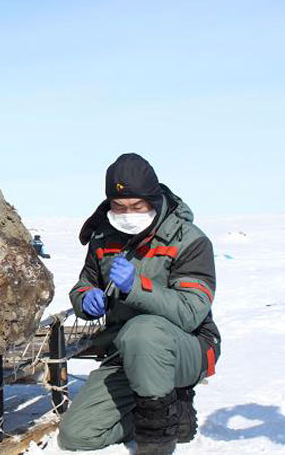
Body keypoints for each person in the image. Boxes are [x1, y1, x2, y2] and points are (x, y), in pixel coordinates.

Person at [57, 153, 221, 455]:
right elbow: (85, 283)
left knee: (142, 331)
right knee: (76, 435)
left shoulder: (190, 241)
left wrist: (135, 287)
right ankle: (168, 411)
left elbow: (190, 312)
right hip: (126, 351)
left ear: (153, 201)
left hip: (188, 349)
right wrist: (85, 298)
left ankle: (157, 437)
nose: (127, 214)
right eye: (119, 207)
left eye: (137, 206)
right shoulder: (103, 238)